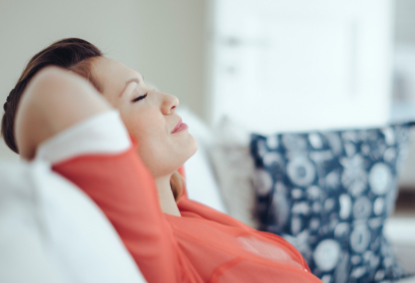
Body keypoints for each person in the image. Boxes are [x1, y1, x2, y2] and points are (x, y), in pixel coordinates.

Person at [1, 38, 322, 283]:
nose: (171, 100)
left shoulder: (182, 204)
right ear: (107, 139)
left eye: (151, 88)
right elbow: (53, 95)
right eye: (139, 96)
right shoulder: (158, 248)